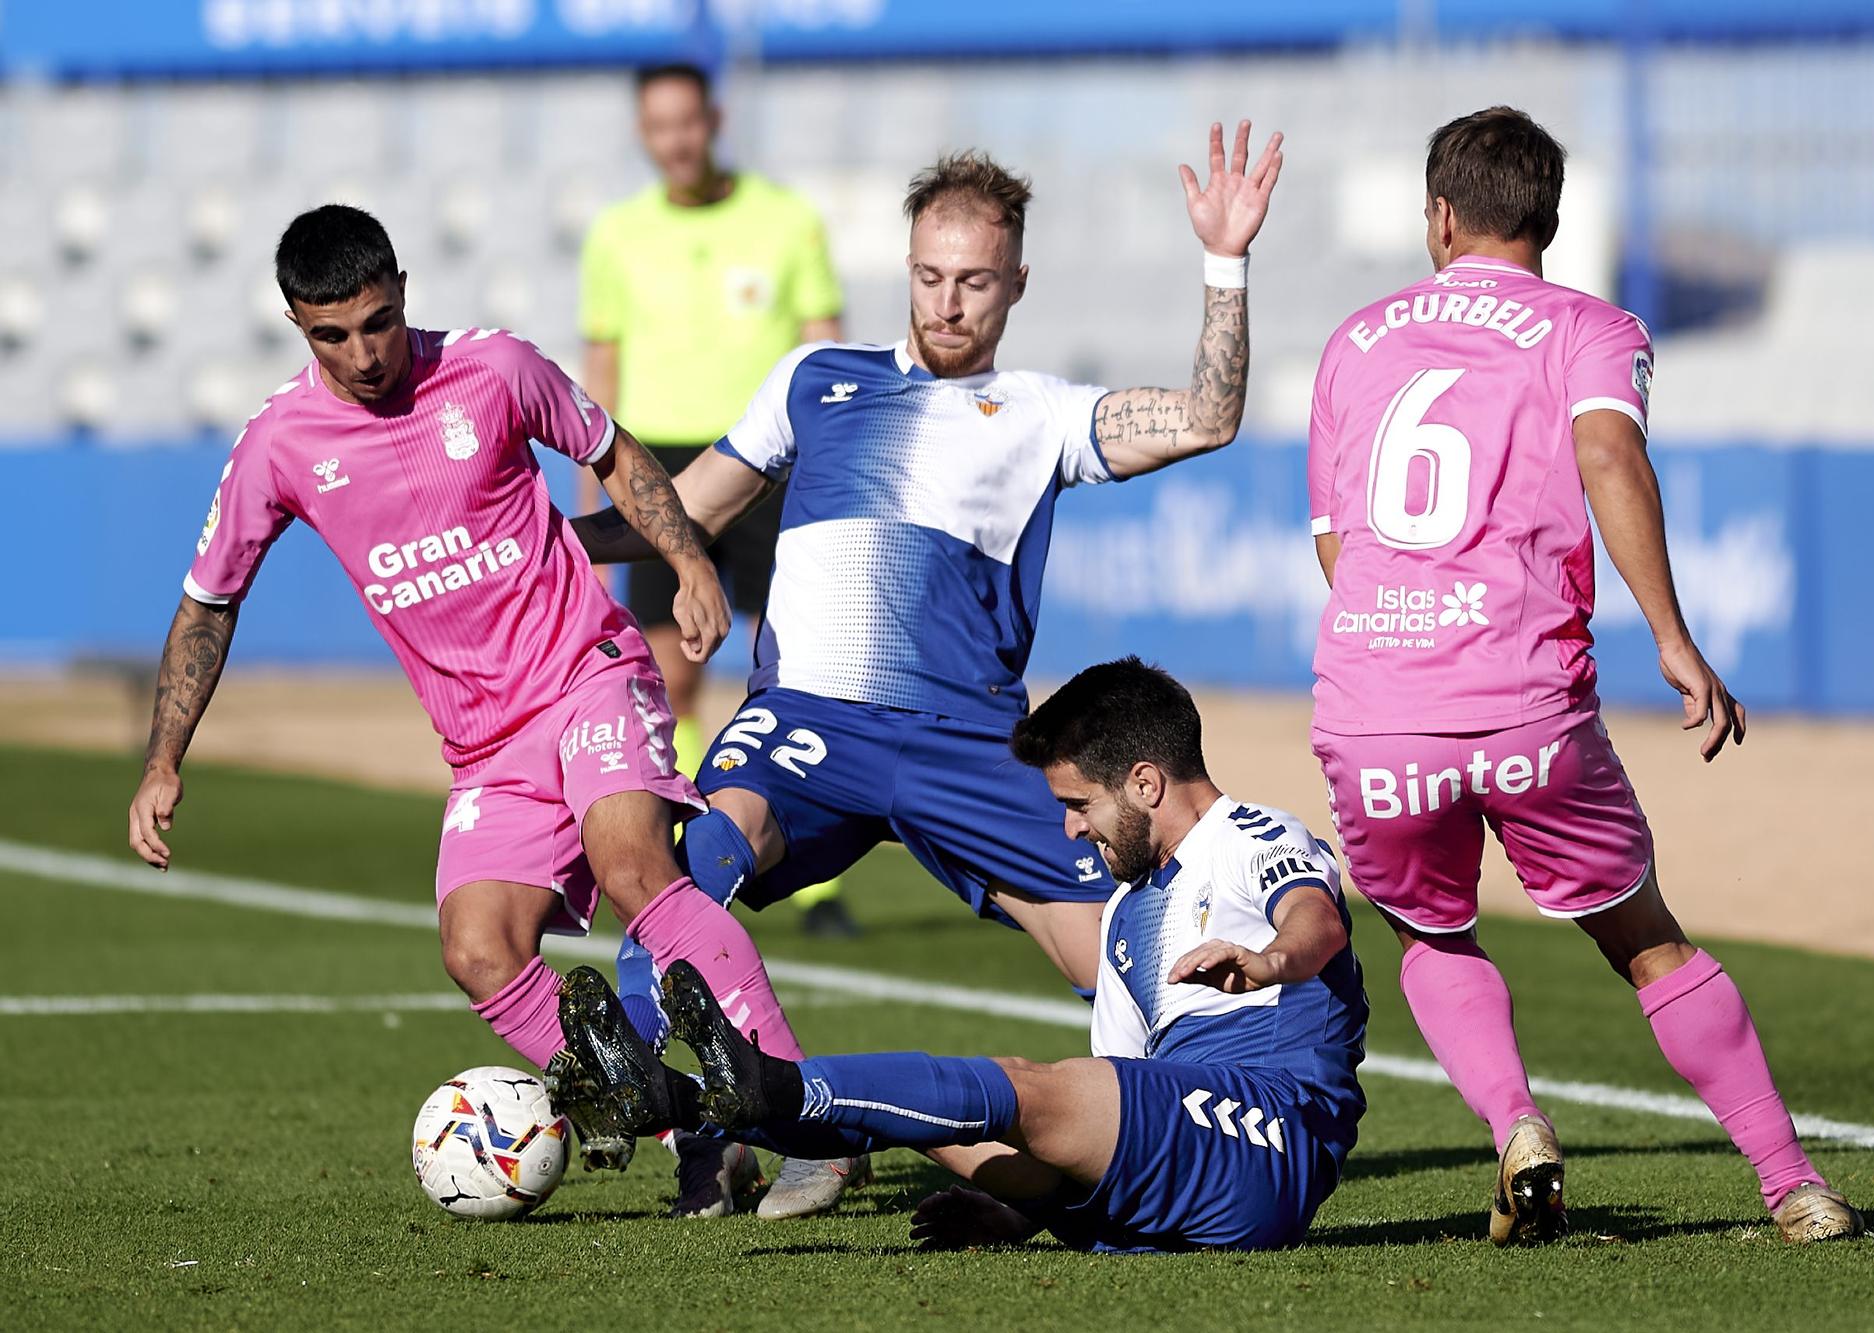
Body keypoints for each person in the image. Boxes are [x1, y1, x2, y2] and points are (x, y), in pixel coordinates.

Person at [572, 120, 1284, 1219]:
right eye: (927, 276)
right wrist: (542, 545)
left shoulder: (1040, 412)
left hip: (968, 740)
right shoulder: (813, 381)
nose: (945, 303)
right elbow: (689, 509)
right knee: (676, 877)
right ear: (904, 266)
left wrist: (1223, 263)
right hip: (808, 722)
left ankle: (1172, 1156)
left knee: (1119, 957)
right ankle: (715, 1140)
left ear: (1015, 285)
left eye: (973, 284)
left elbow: (1208, 416)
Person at [123, 205, 800, 1178]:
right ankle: (693, 1123)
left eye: (378, 322)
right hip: (486, 746)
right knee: (477, 947)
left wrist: (688, 560)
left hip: (587, 671)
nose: (362, 353)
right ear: (295, 324)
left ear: (402, 293)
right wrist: (161, 761)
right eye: (332, 335)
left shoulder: (493, 370)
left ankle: (804, 1114)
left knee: (630, 865)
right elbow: (207, 604)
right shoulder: (279, 445)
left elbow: (611, 450)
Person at [1303, 107, 1861, 1244]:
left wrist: (1404, 644)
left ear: (1439, 215)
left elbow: (1334, 542)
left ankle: (1515, 1124)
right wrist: (1669, 635)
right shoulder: (1590, 328)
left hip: (1373, 712)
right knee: (1646, 940)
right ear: (1548, 220)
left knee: (1430, 934)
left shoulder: (1353, 340)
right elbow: (1608, 452)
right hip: (1522, 705)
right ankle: (1791, 1184)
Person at [544, 658, 1367, 1252]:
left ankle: (764, 1084)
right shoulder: (1123, 917)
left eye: (1080, 805)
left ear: (1147, 783)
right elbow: (1105, 1111)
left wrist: (1270, 962)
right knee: (953, 1127)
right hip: (1169, 1154)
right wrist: (1015, 1216)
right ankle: (688, 1102)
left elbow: (1314, 919)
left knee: (1022, 1086)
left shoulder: (1251, 834)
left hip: (1264, 1133)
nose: (1072, 830)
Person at [577, 62, 857, 944]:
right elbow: (603, 365)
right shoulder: (617, 235)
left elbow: (822, 349)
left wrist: (835, 457)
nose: (676, 141)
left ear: (714, 120)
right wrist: (596, 491)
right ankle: (694, 845)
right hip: (656, 466)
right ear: (643, 132)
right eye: (659, 126)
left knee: (791, 667)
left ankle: (813, 883)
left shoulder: (785, 219)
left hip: (767, 453)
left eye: (688, 123)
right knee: (672, 669)